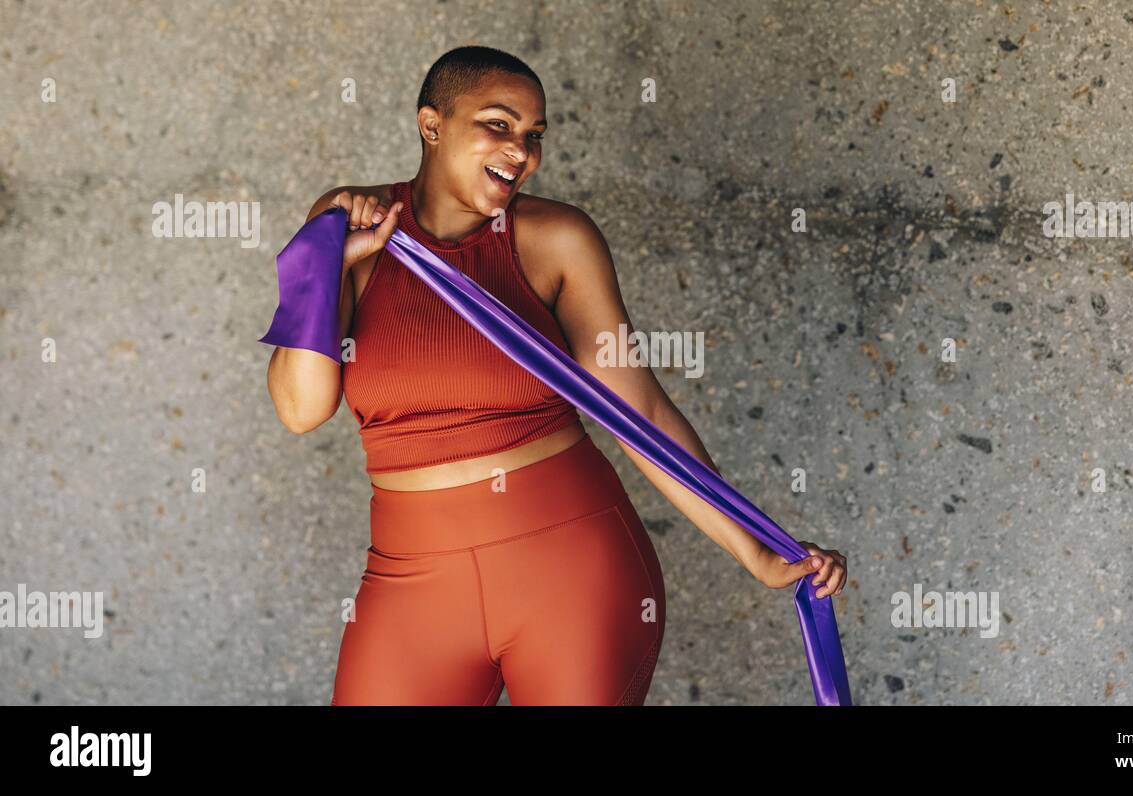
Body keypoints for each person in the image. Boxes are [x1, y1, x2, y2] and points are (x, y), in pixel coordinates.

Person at [264, 45, 847, 705]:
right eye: (499, 124)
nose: (522, 151)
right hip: (411, 578)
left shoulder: (555, 239)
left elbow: (641, 416)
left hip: (572, 567)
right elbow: (300, 408)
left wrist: (758, 552)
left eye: (534, 134)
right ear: (432, 124)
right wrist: (326, 264)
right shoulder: (349, 226)